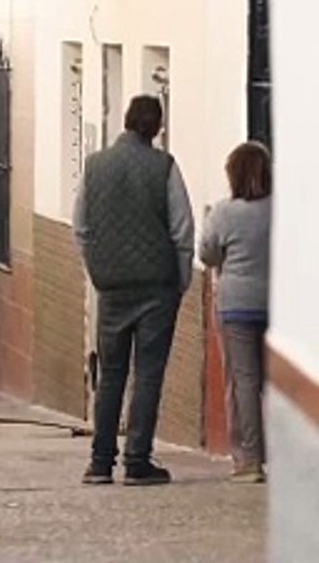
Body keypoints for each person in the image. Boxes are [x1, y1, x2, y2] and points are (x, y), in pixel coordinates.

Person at [74, 95, 194, 486]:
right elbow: (182, 230)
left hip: (112, 288)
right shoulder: (165, 167)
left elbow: (81, 228)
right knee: (148, 374)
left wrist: (97, 270)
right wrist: (181, 281)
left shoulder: (95, 166)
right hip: (157, 286)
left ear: (125, 122)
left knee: (111, 373)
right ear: (157, 127)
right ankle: (137, 460)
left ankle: (100, 461)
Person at [198, 141, 271, 484]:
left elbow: (208, 255)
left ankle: (249, 461)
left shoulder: (224, 212)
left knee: (243, 382)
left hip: (237, 305)